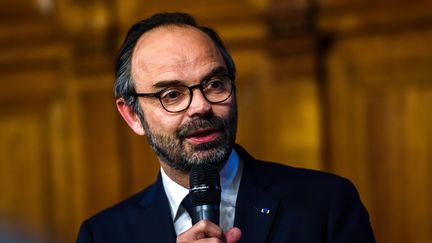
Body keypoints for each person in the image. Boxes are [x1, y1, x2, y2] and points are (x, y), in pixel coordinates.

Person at [76, 12, 375, 243]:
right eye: (172, 94)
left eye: (214, 84)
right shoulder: (103, 235)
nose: (201, 106)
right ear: (132, 115)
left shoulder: (326, 205)